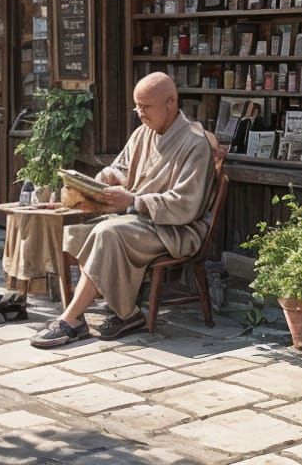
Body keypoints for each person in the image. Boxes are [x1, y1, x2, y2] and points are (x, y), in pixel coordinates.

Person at [31, 72, 219, 348]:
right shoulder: (143, 133)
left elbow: (184, 204)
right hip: (141, 221)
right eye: (137, 106)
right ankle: (128, 314)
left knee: (108, 232)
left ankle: (71, 319)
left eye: (146, 107)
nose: (139, 113)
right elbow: (120, 168)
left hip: (176, 228)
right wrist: (101, 181)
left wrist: (133, 201)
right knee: (79, 232)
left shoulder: (195, 143)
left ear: (170, 102)